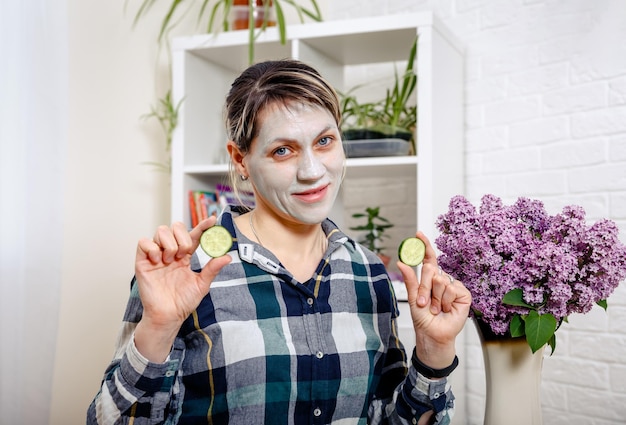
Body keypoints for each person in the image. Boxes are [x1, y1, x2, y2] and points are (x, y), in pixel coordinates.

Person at [87, 60, 471, 425]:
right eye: (282, 150)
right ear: (240, 160)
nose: (313, 171)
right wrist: (158, 326)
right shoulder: (185, 269)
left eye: (324, 141)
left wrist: (434, 355)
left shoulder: (368, 273)